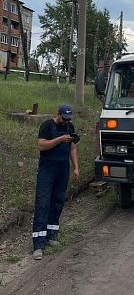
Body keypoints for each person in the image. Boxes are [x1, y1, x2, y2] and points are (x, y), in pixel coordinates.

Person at [32, 104, 79, 260]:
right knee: (43, 202)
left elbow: (72, 148)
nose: (66, 122)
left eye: (68, 119)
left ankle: (51, 235)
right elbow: (41, 145)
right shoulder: (46, 126)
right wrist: (59, 139)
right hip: (47, 169)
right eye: (64, 118)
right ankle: (38, 244)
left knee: (57, 201)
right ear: (58, 113)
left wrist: (76, 168)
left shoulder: (69, 126)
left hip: (63, 168)